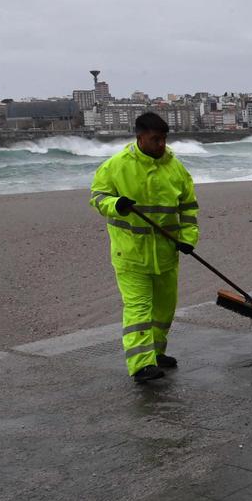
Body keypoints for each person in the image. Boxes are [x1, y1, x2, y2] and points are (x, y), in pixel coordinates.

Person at [90, 112, 199, 383]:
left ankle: (155, 353)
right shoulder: (116, 166)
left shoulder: (176, 168)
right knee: (138, 308)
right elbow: (98, 197)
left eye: (163, 139)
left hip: (166, 253)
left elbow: (188, 208)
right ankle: (140, 365)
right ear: (139, 137)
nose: (161, 145)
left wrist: (187, 239)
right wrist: (116, 205)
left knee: (164, 310)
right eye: (155, 139)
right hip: (130, 254)